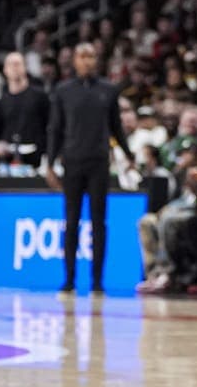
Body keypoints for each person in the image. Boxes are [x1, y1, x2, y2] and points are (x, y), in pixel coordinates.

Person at [46, 43, 133, 294]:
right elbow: (55, 129)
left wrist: (128, 155)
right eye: (82, 56)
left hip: (98, 162)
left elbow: (116, 126)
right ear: (74, 61)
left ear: (97, 60)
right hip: (72, 162)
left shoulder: (108, 90)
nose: (86, 61)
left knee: (99, 223)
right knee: (71, 221)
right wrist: (50, 163)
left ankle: (97, 281)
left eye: (91, 57)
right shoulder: (63, 91)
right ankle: (69, 279)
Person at [0, 51, 50, 171]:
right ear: (5, 70)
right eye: (11, 64)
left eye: (18, 64)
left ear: (25, 67)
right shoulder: (1, 100)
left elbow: (50, 125)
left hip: (37, 160)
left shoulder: (40, 96)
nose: (14, 68)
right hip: (7, 162)